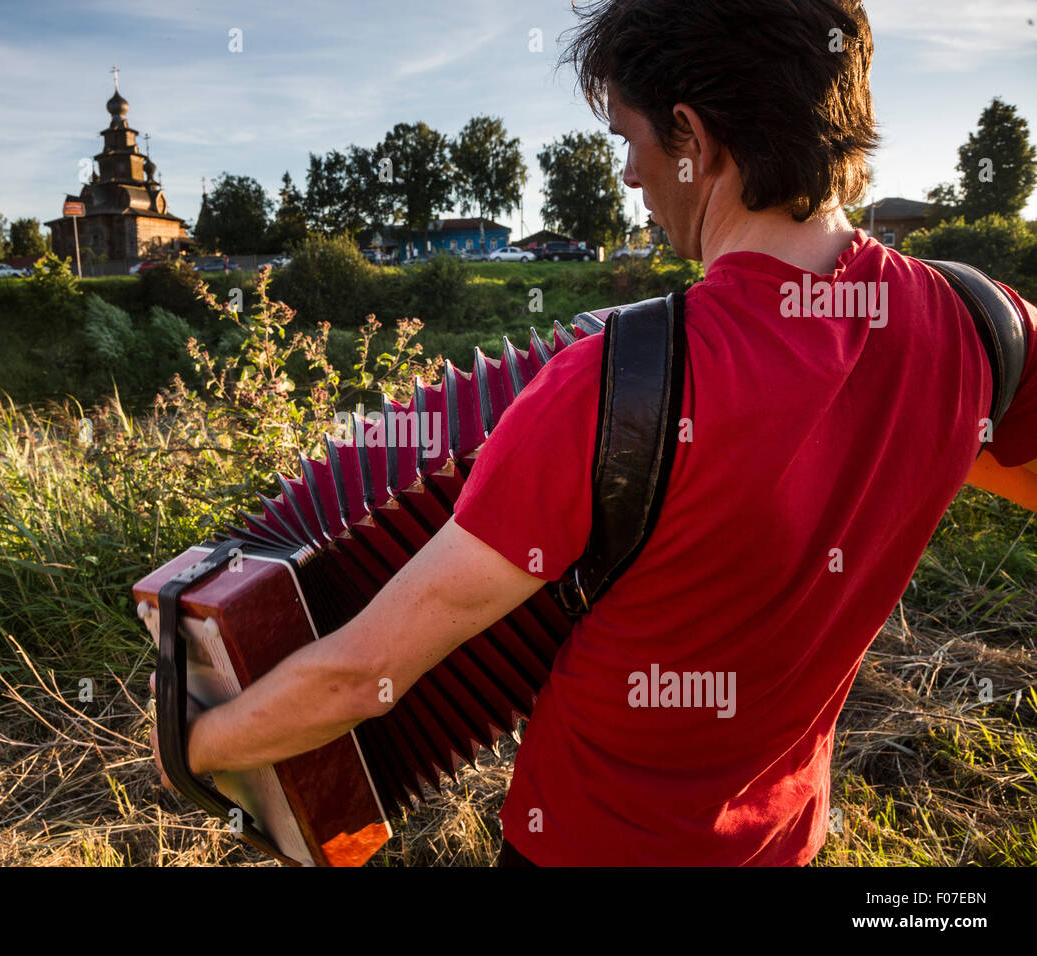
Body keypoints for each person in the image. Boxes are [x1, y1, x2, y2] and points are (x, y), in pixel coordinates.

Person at [152, 0, 1037, 865]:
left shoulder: (614, 386)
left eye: (629, 138)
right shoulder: (978, 323)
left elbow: (361, 676)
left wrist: (193, 747)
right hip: (783, 838)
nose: (626, 175)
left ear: (692, 136)